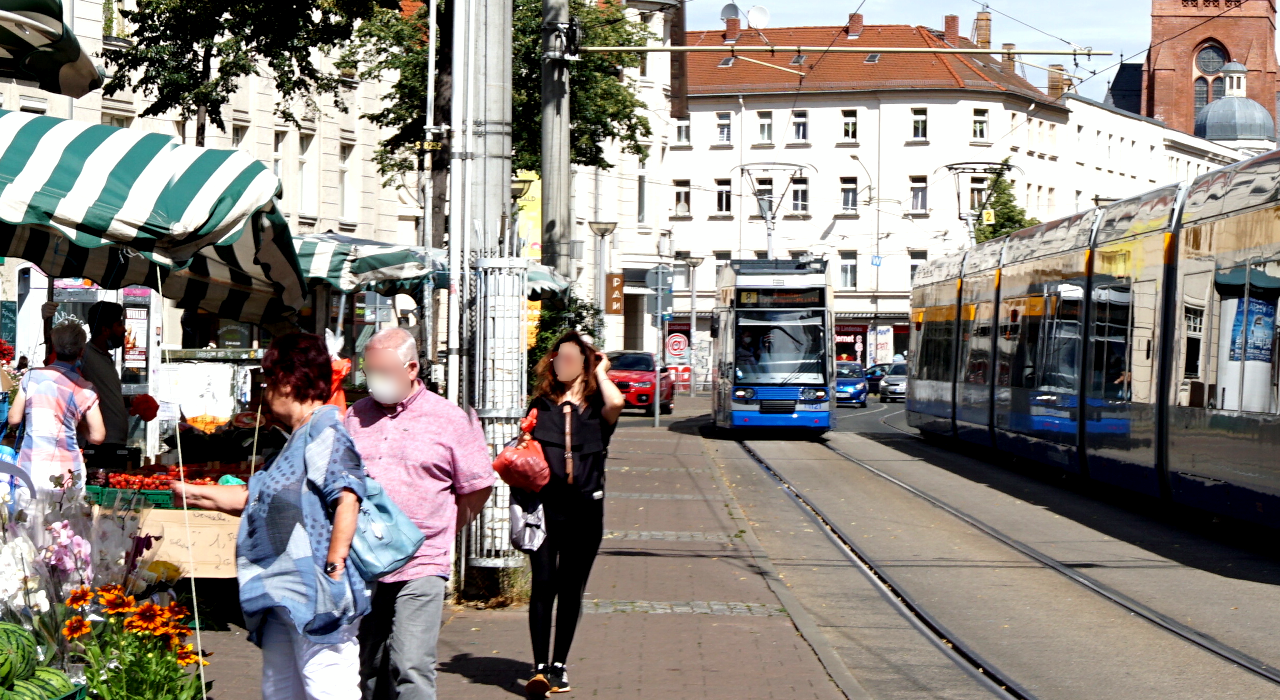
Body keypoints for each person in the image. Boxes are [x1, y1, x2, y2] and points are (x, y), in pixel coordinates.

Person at [170, 333, 368, 700]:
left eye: (268, 380)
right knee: (280, 691)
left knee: (327, 689)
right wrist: (192, 492)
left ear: (289, 382)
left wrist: (335, 568)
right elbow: (254, 498)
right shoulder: (296, 437)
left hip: (315, 595)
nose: (264, 392)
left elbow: (347, 496)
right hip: (283, 595)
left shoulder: (325, 428)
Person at [345, 327, 494, 700]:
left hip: (423, 560)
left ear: (411, 368)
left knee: (410, 663)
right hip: (364, 562)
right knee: (367, 663)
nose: (373, 381)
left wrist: (448, 529)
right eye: (369, 372)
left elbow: (478, 485)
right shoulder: (355, 416)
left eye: (383, 372)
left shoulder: (448, 419)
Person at [520, 331, 623, 697]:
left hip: (585, 512)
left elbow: (617, 402)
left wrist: (603, 371)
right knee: (543, 584)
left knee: (570, 589)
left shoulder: (598, 410)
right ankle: (539, 667)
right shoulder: (540, 404)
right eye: (557, 357)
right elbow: (523, 451)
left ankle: (559, 665)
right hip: (544, 511)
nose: (561, 363)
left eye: (570, 357)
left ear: (584, 363)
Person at [7, 321, 105, 489]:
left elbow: (14, 419)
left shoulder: (31, 377)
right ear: (81, 351)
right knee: (65, 515)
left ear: (53, 347)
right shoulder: (86, 388)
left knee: (28, 515)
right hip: (68, 473)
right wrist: (78, 425)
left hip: (31, 469)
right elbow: (97, 436)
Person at [80, 301, 130, 472]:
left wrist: (129, 401)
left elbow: (104, 394)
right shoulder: (84, 355)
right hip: (99, 445)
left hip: (115, 442)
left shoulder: (105, 357)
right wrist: (47, 321)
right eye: (119, 324)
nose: (124, 330)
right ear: (105, 330)